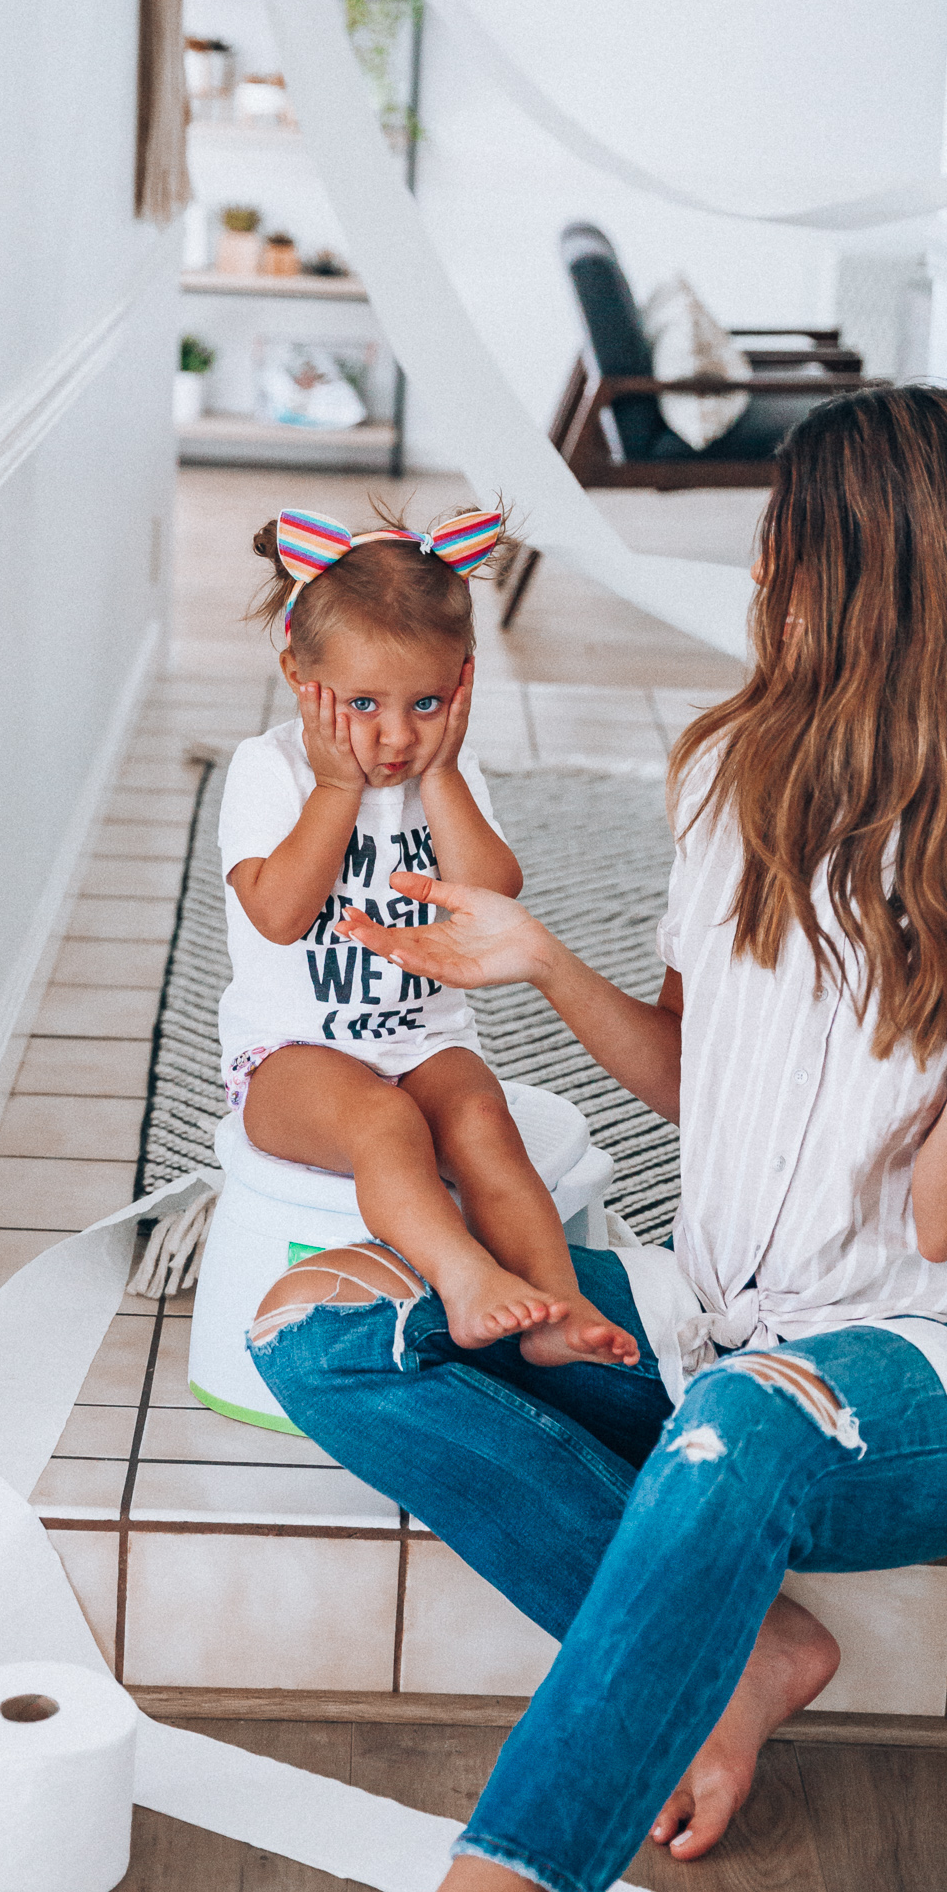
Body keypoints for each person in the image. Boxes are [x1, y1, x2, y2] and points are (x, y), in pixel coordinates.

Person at [249, 389, 947, 1892]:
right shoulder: (734, 775)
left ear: (878, 581)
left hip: (932, 1379)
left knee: (747, 1421)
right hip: (721, 1323)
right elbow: (697, 1086)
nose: (759, 580)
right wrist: (536, 960)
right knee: (314, 1321)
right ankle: (741, 1658)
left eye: (784, 550)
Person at [221, 503, 637, 1367]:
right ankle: (463, 1277)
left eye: (428, 703)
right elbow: (278, 913)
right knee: (384, 1124)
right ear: (299, 672)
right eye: (364, 703)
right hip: (290, 1058)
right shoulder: (272, 771)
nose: (398, 735)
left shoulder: (444, 772)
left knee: (484, 1114)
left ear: (464, 684)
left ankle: (555, 1305)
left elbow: (492, 898)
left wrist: (446, 773)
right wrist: (336, 790)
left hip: (424, 1040)